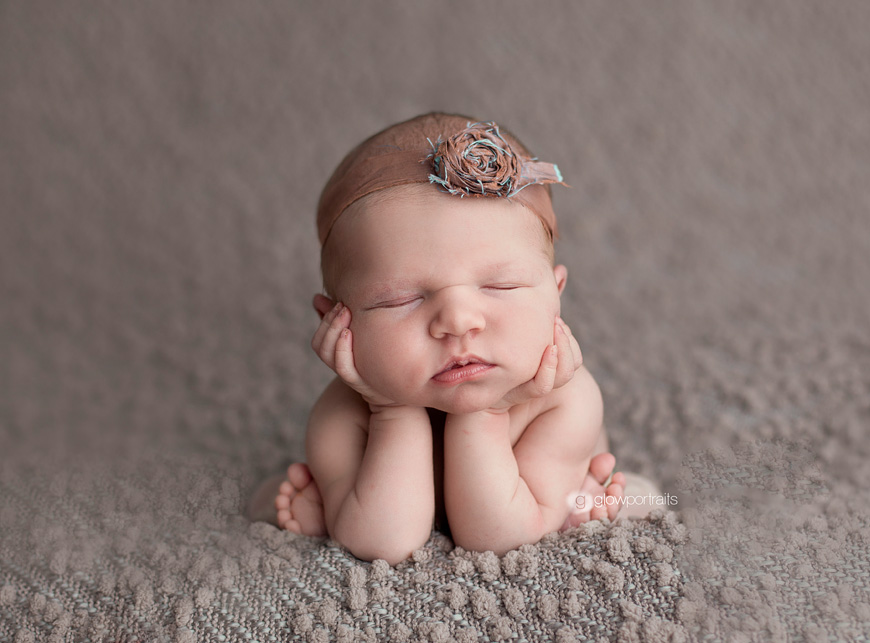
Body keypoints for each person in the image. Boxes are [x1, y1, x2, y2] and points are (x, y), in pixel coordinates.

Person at [252, 113, 644, 565]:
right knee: (271, 501)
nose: (458, 322)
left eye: (499, 286)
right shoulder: (343, 413)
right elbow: (385, 543)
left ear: (555, 294)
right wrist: (390, 410)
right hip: (383, 433)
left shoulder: (564, 400)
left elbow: (501, 537)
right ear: (338, 323)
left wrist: (489, 412)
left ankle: (588, 500)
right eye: (401, 300)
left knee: (636, 499)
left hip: (528, 502)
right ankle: (324, 502)